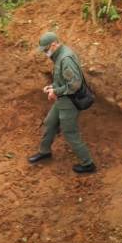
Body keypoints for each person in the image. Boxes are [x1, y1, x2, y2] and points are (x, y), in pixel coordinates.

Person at [28, 32, 96, 173]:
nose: (45, 53)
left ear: (54, 44)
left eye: (46, 50)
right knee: (50, 122)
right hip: (62, 99)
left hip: (70, 101)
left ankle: (88, 164)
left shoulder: (66, 58)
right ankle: (45, 151)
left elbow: (75, 84)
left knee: (69, 132)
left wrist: (56, 91)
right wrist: (53, 86)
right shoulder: (59, 55)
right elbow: (63, 78)